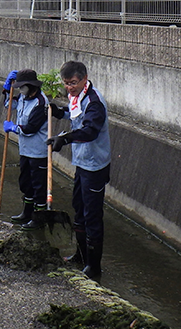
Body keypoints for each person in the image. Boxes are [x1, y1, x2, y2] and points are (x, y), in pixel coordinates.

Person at [47, 60, 110, 282]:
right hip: (82, 163)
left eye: (73, 83)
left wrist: (64, 139)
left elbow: (90, 131)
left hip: (95, 167)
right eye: (66, 83)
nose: (69, 87)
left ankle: (94, 267)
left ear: (84, 79)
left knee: (92, 216)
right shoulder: (78, 97)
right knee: (79, 210)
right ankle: (80, 257)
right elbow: (74, 114)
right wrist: (58, 112)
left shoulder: (94, 102)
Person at [1, 69, 50, 231]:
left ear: (31, 86)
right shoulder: (23, 97)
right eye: (19, 87)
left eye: (22, 87)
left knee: (38, 185)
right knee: (25, 182)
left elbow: (31, 128)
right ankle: (27, 212)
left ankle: (39, 217)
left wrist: (13, 128)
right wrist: (6, 89)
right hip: (25, 150)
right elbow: (9, 105)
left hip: (38, 152)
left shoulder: (41, 103)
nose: (20, 90)